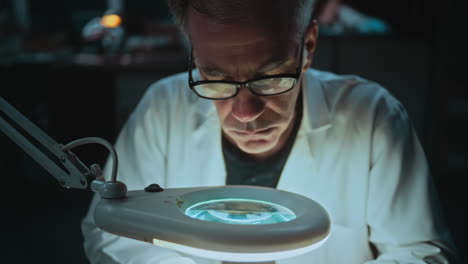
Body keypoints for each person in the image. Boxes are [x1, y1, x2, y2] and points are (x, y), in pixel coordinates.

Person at [81, 0, 458, 263]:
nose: (245, 113)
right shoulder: (162, 109)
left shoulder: (373, 117)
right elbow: (109, 230)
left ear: (307, 48)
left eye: (269, 77)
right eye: (216, 78)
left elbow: (422, 254)